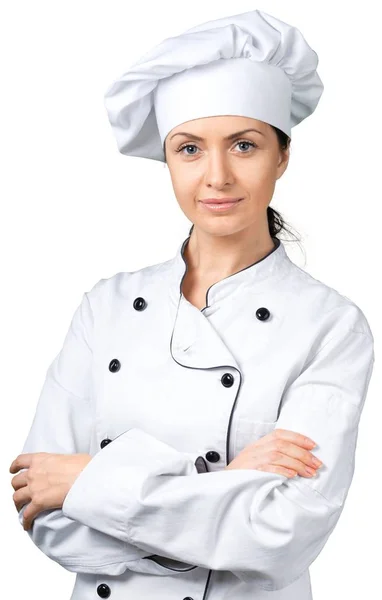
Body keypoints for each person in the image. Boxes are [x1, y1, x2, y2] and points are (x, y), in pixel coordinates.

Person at [9, 8, 374, 600]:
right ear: (168, 161)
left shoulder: (330, 326)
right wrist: (225, 486)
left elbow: (282, 534)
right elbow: (40, 507)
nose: (218, 176)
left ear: (282, 157)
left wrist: (88, 483)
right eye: (189, 149)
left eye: (244, 145)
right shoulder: (105, 306)